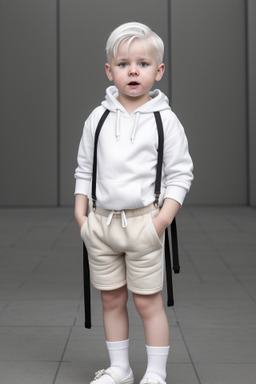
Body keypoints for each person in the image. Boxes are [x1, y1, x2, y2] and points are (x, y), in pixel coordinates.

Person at [74, 22, 193, 384]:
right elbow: (85, 167)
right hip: (102, 224)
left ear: (158, 71)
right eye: (124, 64)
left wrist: (160, 222)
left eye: (142, 64)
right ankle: (120, 370)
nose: (133, 71)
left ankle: (155, 374)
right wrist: (82, 215)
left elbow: (180, 174)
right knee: (111, 299)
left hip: (145, 223)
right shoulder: (99, 118)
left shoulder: (165, 121)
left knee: (147, 302)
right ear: (110, 72)